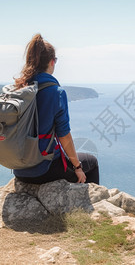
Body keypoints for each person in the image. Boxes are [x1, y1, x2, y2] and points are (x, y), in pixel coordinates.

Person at [13, 33, 99, 185]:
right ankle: (86, 205)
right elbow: (64, 136)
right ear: (52, 62)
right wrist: (77, 167)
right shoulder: (56, 92)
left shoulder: (20, 88)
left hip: (19, 169)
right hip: (43, 169)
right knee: (91, 162)